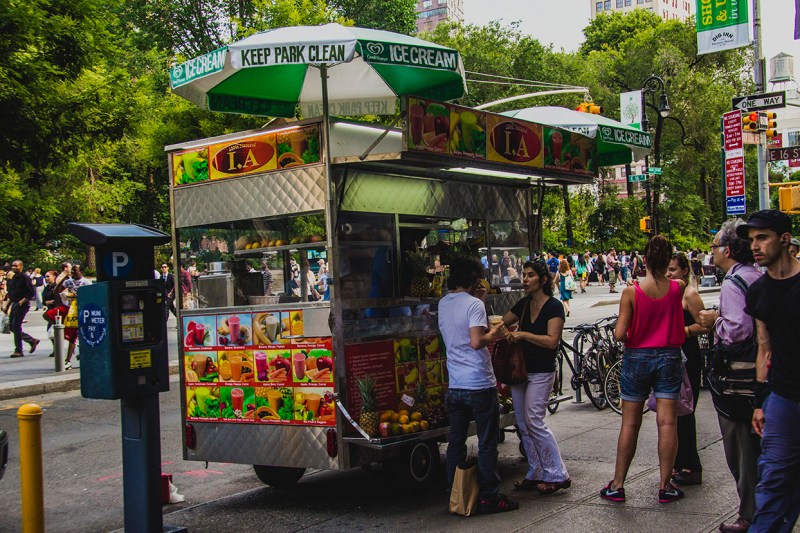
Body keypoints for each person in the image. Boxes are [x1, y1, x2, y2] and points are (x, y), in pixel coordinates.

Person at [600, 235, 686, 504]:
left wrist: (635, 336)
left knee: (630, 422)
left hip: (637, 357)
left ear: (644, 260)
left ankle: (618, 484)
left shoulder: (631, 292)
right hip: (670, 356)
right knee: (668, 422)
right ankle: (665, 485)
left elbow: (619, 333)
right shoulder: (678, 288)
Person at [736, 210, 800, 532]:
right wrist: (761, 401)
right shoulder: (758, 292)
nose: (755, 246)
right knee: (772, 479)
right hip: (784, 398)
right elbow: (764, 347)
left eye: (762, 238)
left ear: (785, 239)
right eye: (751, 240)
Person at [439, 257, 517, 514]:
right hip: (479, 383)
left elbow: (461, 330)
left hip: (456, 384)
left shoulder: (444, 302)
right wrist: (498, 330)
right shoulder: (473, 304)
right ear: (474, 280)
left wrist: (479, 301)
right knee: (486, 442)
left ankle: (455, 493)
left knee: (457, 443)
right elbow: (476, 341)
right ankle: (489, 497)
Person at [698, 218, 762, 533]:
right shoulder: (757, 276)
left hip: (739, 381)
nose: (712, 253)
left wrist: (715, 320)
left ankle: (749, 515)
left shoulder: (733, 282)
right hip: (760, 378)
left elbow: (738, 330)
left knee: (741, 450)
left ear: (727, 249)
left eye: (714, 247)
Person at [501, 260, 570, 495]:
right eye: (524, 274)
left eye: (530, 275)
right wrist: (505, 334)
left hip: (541, 371)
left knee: (534, 420)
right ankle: (536, 469)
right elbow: (501, 322)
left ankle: (557, 472)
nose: (525, 279)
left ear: (542, 280)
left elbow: (552, 341)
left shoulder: (554, 307)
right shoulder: (523, 304)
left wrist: (523, 334)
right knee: (522, 422)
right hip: (520, 371)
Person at [665, 252, 709, 486]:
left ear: (684, 270)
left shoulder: (690, 295)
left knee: (685, 412)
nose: (668, 274)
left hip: (688, 356)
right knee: (672, 414)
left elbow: (705, 325)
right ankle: (678, 463)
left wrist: (686, 330)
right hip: (672, 356)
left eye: (672, 270)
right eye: (666, 270)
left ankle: (691, 466)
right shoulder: (667, 292)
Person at [4, 260, 39, 357]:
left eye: (16, 266)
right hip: (15, 303)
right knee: (11, 326)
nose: (14, 267)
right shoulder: (14, 278)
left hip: (22, 304)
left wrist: (22, 301)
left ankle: (19, 350)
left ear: (21, 266)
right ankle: (32, 340)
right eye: (13, 266)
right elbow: (12, 294)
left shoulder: (25, 278)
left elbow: (31, 292)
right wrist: (7, 306)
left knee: (16, 326)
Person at [63, 264, 91, 370]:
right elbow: (57, 291)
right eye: (72, 270)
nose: (73, 272)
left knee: (77, 337)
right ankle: (69, 360)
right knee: (72, 336)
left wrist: (75, 296)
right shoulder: (68, 282)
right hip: (70, 311)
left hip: (82, 311)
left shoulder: (86, 283)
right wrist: (62, 280)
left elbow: (89, 297)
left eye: (76, 270)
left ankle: (69, 360)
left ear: (81, 271)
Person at [42, 270, 59, 357]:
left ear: (54, 277)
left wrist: (50, 302)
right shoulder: (47, 287)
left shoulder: (57, 287)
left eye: (48, 276)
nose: (47, 278)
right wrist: (48, 302)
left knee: (55, 331)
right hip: (50, 312)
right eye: (46, 276)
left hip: (57, 311)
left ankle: (58, 349)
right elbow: (43, 301)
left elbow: (57, 300)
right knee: (50, 331)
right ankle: (56, 349)